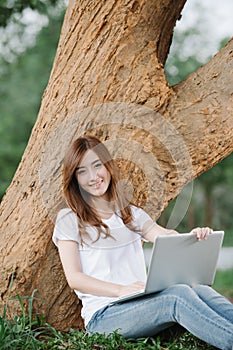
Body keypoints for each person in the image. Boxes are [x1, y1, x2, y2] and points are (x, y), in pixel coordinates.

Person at [52, 135, 233, 350]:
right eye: (82, 171)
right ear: (75, 179)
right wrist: (121, 290)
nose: (93, 177)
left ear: (108, 166)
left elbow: (163, 235)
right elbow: (75, 279)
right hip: (105, 315)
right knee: (177, 296)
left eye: (97, 165)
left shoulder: (130, 214)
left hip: (142, 302)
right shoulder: (68, 219)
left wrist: (193, 237)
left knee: (199, 289)